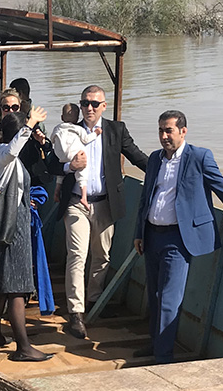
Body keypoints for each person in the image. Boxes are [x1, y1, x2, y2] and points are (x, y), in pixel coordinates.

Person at [133, 110, 223, 363]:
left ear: (183, 131)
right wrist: (138, 233)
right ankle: (155, 344)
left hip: (178, 238)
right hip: (152, 235)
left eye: (169, 130)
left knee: (169, 300)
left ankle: (163, 358)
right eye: (161, 130)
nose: (163, 136)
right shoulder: (155, 159)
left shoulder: (199, 157)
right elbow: (146, 198)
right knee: (153, 295)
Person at [56, 85, 148, 339]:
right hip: (76, 201)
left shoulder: (116, 130)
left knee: (102, 255)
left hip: (106, 203)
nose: (89, 108)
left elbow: (136, 156)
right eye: (85, 103)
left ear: (104, 106)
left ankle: (94, 300)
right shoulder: (69, 129)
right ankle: (76, 312)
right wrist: (67, 167)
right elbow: (52, 161)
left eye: (95, 104)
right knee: (77, 255)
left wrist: (163, 170)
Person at [0, 107, 53, 362]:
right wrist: (30, 123)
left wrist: (39, 141)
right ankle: (23, 348)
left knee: (1, 286)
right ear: (18, 134)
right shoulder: (3, 152)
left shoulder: (5, 157)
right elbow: (14, 148)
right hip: (12, 231)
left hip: (7, 227)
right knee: (17, 288)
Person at [50, 103, 102, 210]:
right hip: (74, 154)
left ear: (62, 117)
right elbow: (86, 139)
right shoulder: (78, 129)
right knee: (82, 169)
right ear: (78, 117)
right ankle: (83, 196)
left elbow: (52, 139)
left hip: (61, 155)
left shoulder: (57, 128)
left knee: (60, 175)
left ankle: (57, 190)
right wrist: (96, 133)